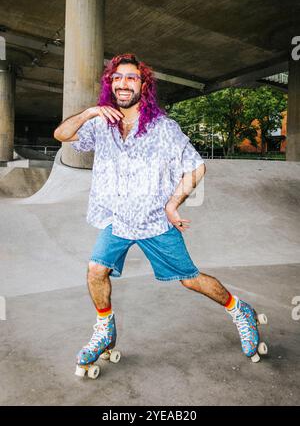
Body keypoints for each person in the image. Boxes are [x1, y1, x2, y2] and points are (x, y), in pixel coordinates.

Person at [54, 53, 267, 375]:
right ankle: (104, 329)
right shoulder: (100, 123)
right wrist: (88, 112)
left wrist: (172, 205)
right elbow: (62, 135)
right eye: (117, 78)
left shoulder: (163, 128)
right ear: (110, 85)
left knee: (190, 279)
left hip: (154, 220)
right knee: (96, 270)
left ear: (143, 85)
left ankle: (241, 311)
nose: (123, 84)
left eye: (131, 78)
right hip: (117, 219)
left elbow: (196, 166)